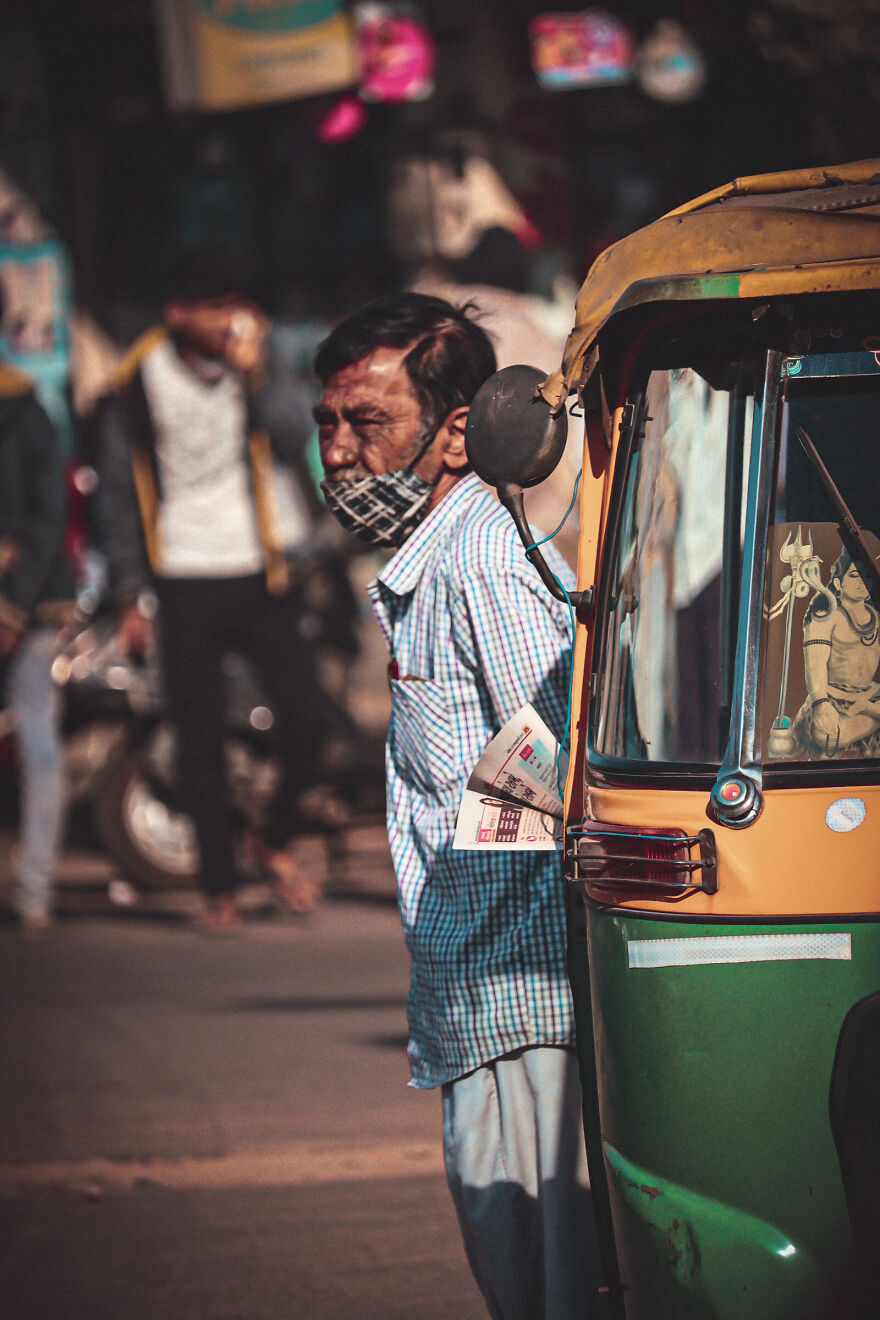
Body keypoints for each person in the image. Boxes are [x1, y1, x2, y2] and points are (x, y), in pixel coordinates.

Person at [314, 293, 593, 1319]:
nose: (340, 451)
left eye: (369, 422)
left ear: (456, 432)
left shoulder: (479, 563)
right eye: (328, 424)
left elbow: (555, 746)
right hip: (478, 989)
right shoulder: (427, 567)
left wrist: (477, 892)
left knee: (547, 1280)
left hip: (520, 994)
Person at [96, 247, 326, 932]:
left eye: (235, 304)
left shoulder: (258, 363)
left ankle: (275, 838)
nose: (229, 320)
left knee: (308, 721)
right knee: (198, 740)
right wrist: (130, 595)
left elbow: (295, 437)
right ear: (178, 315)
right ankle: (219, 890)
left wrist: (255, 377)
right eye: (214, 308)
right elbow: (116, 492)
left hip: (265, 567)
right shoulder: (138, 380)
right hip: (184, 573)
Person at [0, 356, 75, 931]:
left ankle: (34, 888)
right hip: (25, 603)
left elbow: (47, 520)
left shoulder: (25, 411)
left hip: (33, 609)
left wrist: (12, 607)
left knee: (37, 742)